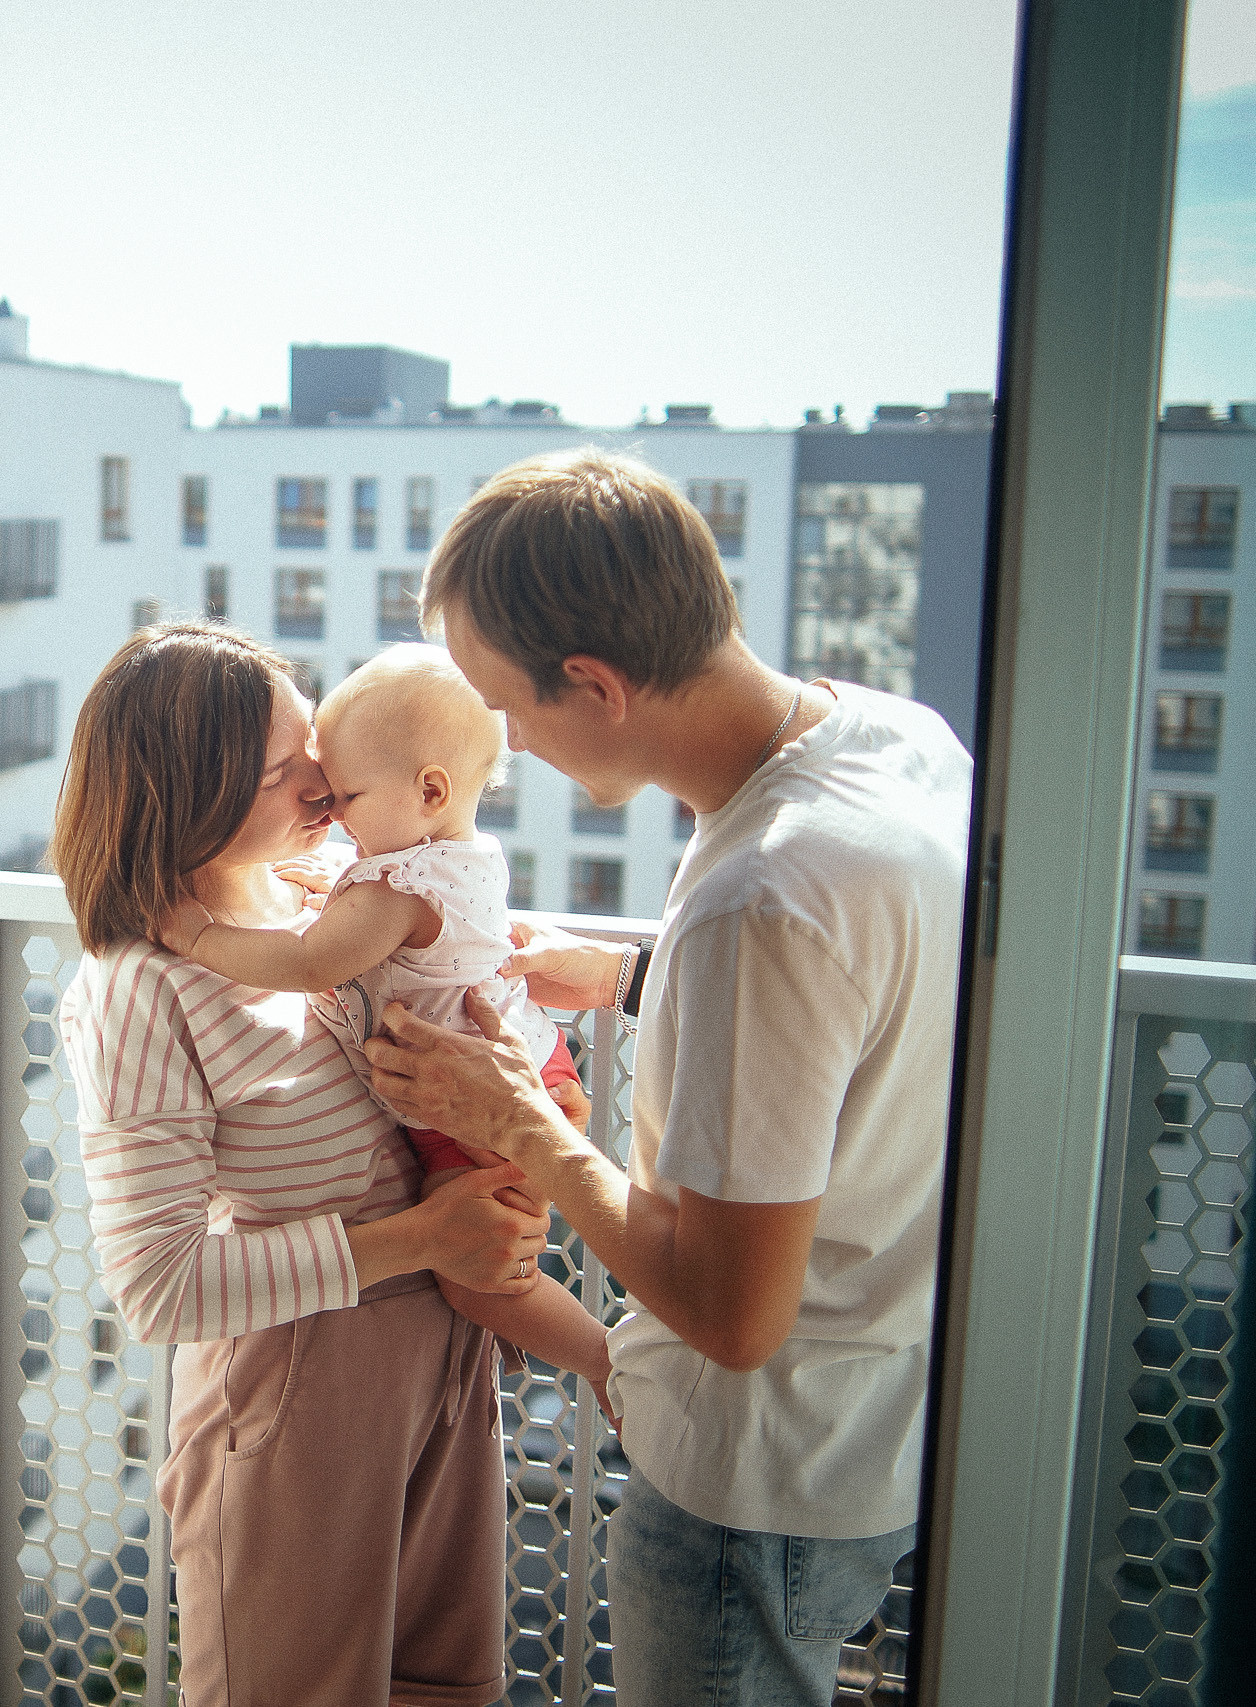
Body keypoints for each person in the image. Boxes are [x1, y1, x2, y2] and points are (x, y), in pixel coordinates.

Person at [362, 448, 970, 1707]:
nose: (510, 748)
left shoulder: (761, 900)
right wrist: (637, 978)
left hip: (754, 1488)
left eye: (510, 711)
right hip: (879, 1437)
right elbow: (873, 1007)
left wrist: (517, 1121)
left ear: (596, 682)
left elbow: (730, 1318)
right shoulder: (898, 745)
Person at [50, 621, 559, 1707]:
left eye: (315, 756)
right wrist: (426, 1236)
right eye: (285, 774)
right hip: (298, 1395)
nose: (325, 789)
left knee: (443, 1687)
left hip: (446, 1357)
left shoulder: (327, 892)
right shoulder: (141, 987)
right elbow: (159, 1285)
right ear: (189, 792)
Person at [156, 642, 609, 1391]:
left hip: (480, 1108)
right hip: (531, 1065)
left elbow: (311, 964)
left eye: (348, 796)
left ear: (429, 790)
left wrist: (203, 938)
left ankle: (604, 1361)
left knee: (480, 1276)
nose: (329, 810)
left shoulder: (394, 890)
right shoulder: (461, 856)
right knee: (493, 1254)